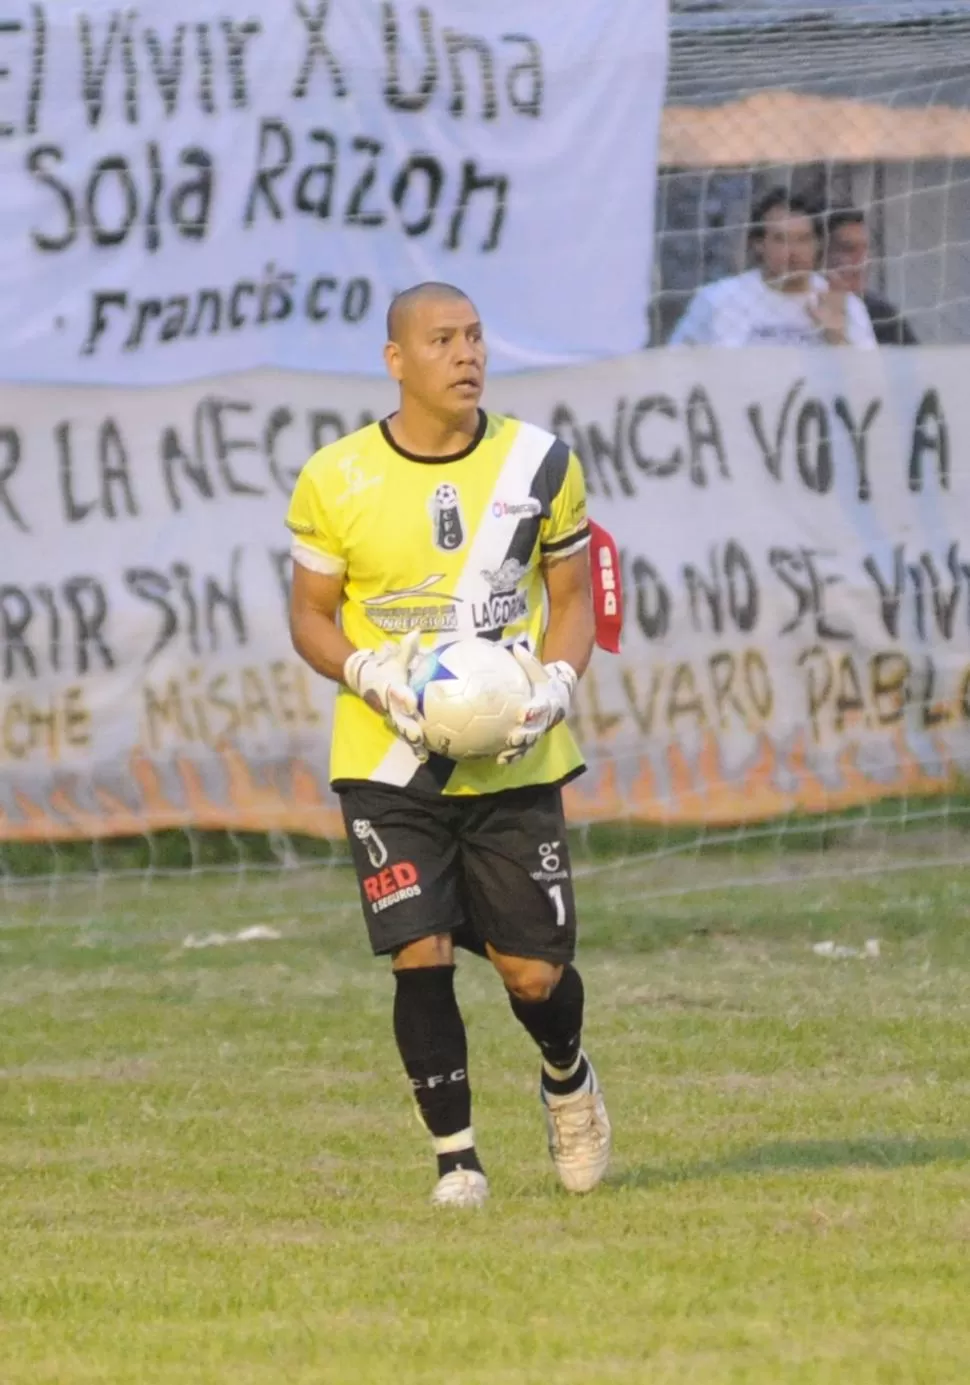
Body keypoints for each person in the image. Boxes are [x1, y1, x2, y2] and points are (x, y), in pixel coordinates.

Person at [285, 281, 611, 1209]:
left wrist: (556, 685)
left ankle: (567, 1077)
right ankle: (457, 1160)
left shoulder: (542, 464)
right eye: (441, 340)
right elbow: (311, 619)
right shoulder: (334, 477)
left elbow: (576, 598)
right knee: (417, 948)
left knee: (532, 971)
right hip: (388, 760)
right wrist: (369, 677)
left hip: (512, 755)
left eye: (474, 336)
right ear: (397, 360)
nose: (466, 354)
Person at [669, 188, 877, 347]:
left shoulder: (845, 305)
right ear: (758, 244)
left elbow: (871, 391)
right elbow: (672, 372)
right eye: (780, 239)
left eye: (803, 239)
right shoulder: (718, 300)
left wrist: (837, 337)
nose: (793, 251)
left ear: (819, 244)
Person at [822, 205, 919, 345]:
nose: (862, 260)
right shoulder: (801, 308)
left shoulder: (882, 313)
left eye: (866, 249)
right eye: (849, 249)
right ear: (822, 254)